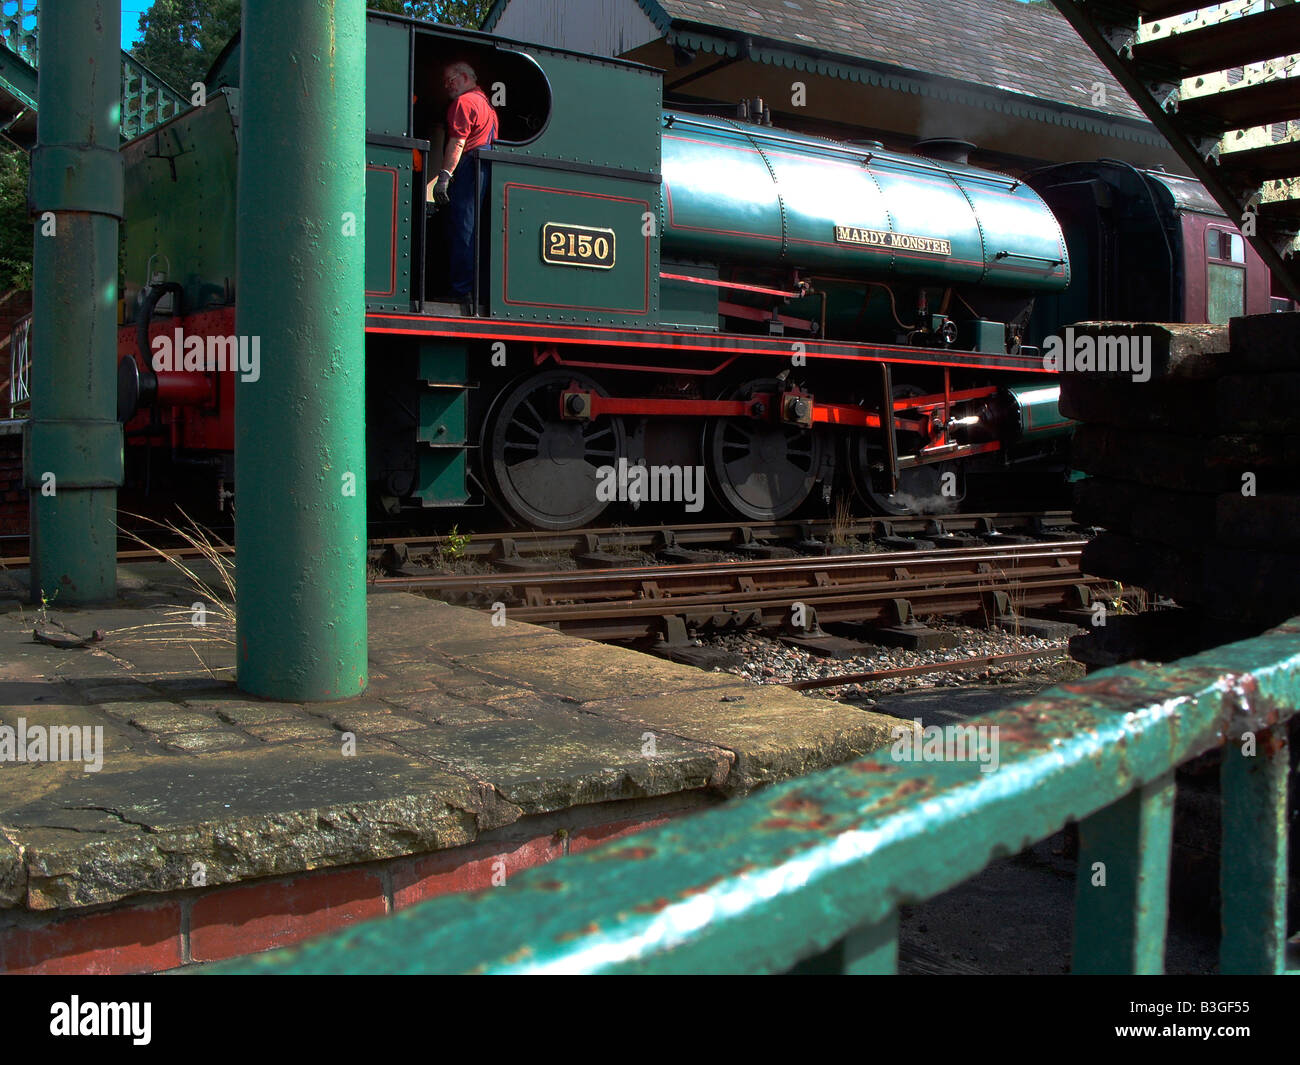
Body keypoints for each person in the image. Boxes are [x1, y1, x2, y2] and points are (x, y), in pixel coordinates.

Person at [429, 61, 498, 306]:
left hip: (469, 166)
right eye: (445, 82)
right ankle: (467, 288)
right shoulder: (486, 105)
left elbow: (458, 142)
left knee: (462, 228)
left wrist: (444, 177)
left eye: (452, 79)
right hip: (482, 167)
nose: (448, 85)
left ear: (467, 77)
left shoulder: (464, 102)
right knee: (470, 228)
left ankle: (460, 291)